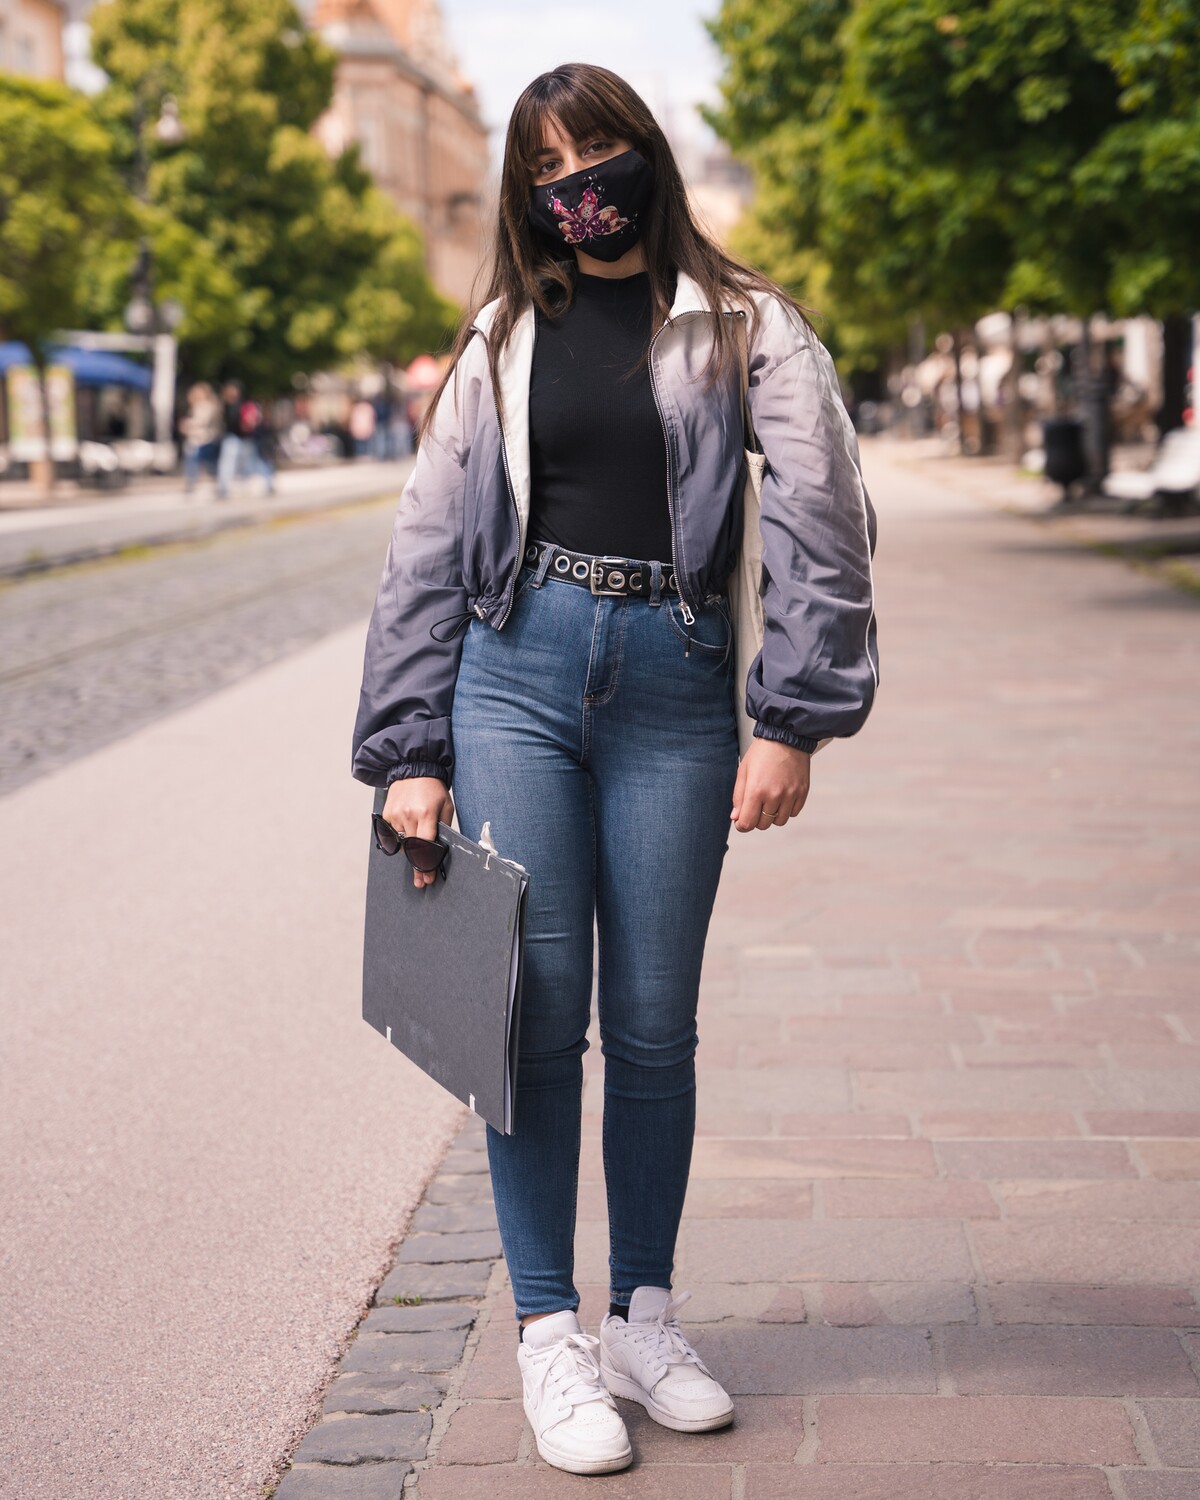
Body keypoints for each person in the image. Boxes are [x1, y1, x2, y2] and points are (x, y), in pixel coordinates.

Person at [351, 62, 880, 1476]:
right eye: (550, 165)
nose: (577, 182)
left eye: (598, 152)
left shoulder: (745, 324)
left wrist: (794, 718)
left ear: (647, 154)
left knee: (652, 1022)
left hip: (678, 688)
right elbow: (424, 542)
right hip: (512, 676)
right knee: (534, 1013)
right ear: (529, 192)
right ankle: (546, 1334)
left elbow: (822, 514)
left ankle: (646, 1316)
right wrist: (409, 748)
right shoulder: (506, 337)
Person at [180, 382, 223, 495]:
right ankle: (191, 484)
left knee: (206, 464)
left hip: (203, 439)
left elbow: (202, 421)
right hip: (195, 439)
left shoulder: (206, 406)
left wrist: (188, 424)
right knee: (193, 462)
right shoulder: (196, 406)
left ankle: (218, 483)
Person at [217, 379, 245, 499]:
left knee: (239, 464)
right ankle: (224, 487)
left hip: (240, 438)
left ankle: (237, 486)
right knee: (227, 463)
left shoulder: (239, 405)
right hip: (229, 438)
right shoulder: (224, 405)